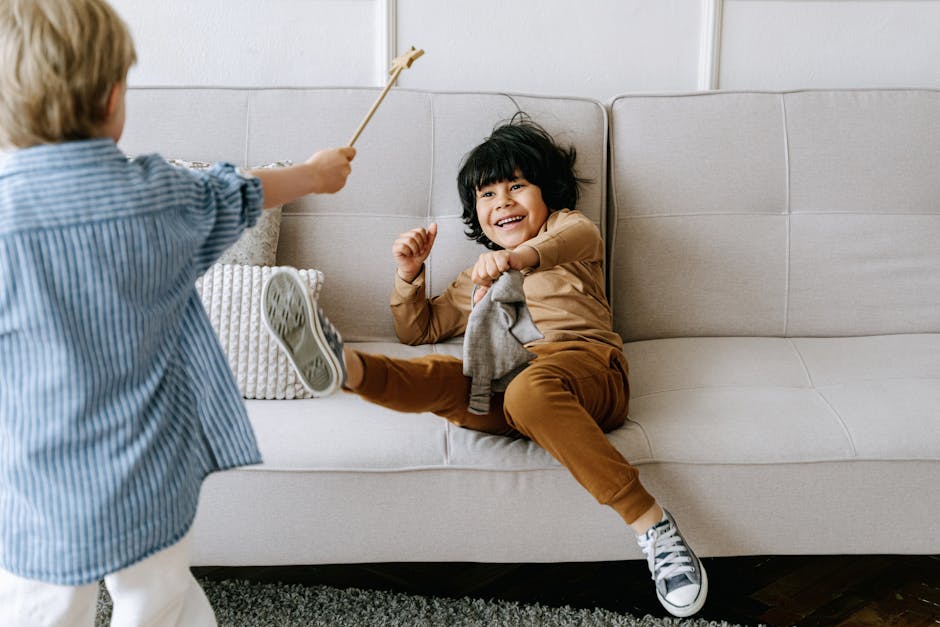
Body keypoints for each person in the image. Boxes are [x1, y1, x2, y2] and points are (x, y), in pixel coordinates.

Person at [262, 114, 708, 617]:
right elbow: (420, 330)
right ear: (477, 213)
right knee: (446, 378)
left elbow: (570, 239)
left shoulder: (569, 233)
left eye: (517, 186)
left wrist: (517, 261)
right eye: (488, 195)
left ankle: (653, 525)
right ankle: (347, 367)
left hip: (588, 369)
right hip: (509, 384)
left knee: (528, 390)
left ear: (548, 194)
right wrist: (409, 275)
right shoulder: (474, 276)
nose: (503, 203)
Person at [0, 0, 355, 624]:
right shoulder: (160, 195)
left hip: (36, 482)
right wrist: (315, 174)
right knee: (158, 600)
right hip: (150, 470)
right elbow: (242, 191)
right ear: (112, 97)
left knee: (41, 608)